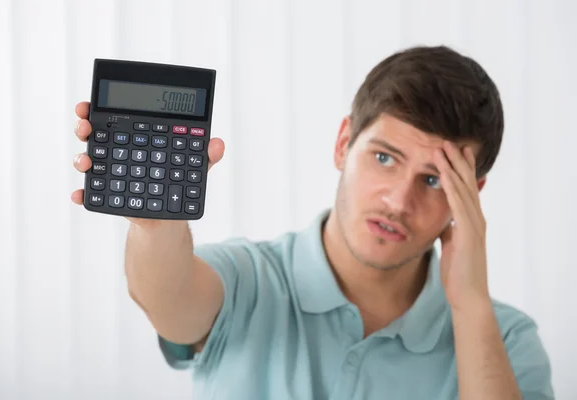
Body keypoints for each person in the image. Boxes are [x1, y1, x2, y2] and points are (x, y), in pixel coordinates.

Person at [71, 45, 554, 399]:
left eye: (433, 181)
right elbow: (168, 302)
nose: (397, 200)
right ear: (344, 143)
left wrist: (470, 305)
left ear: (470, 197)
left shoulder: (506, 339)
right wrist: (155, 224)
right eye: (384, 158)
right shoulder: (249, 280)